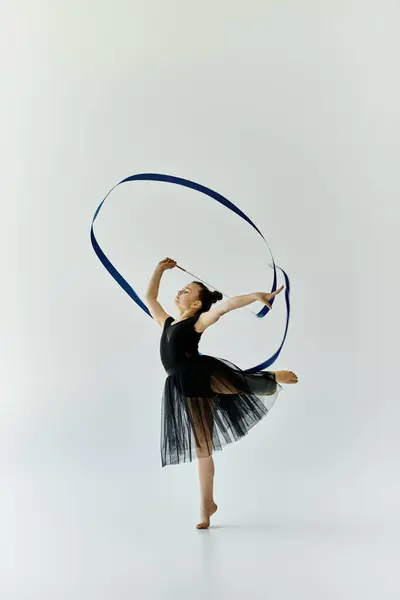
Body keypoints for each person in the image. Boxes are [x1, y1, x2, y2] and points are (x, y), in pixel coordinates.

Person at [144, 257, 298, 529]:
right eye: (182, 289)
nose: (180, 291)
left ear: (195, 304)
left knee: (243, 385)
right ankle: (207, 505)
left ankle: (272, 376)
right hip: (181, 385)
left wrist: (254, 296)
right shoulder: (167, 323)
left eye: (187, 290)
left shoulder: (196, 323)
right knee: (203, 447)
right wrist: (159, 270)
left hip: (200, 373)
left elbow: (225, 306)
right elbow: (149, 297)